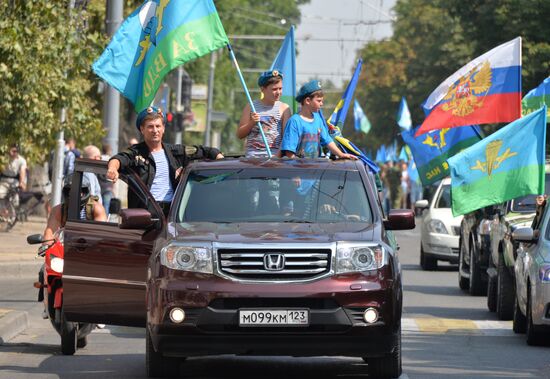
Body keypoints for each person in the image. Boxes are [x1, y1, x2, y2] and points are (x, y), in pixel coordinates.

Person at [106, 106, 224, 216]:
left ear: (163, 129)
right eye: (150, 126)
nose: (155, 130)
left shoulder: (175, 152)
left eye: (158, 126)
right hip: (145, 214)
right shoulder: (136, 152)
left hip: (172, 213)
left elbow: (204, 151)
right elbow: (119, 158)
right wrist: (112, 169)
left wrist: (220, 158)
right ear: (142, 129)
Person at [280, 80, 357, 160]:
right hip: (299, 169)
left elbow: (327, 141)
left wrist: (341, 154)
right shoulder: (294, 121)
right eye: (319, 101)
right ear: (308, 101)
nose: (321, 104)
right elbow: (289, 153)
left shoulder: (317, 119)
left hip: (316, 169)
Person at [237, 70, 291, 157]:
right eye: (274, 89)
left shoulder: (284, 108)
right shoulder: (251, 106)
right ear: (263, 89)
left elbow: (286, 138)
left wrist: (278, 156)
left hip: (274, 156)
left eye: (280, 88)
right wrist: (251, 123)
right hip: (252, 157)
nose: (278, 92)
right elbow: (240, 134)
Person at [43, 175, 107, 241]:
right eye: (71, 191)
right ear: (66, 192)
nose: (75, 194)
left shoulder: (97, 209)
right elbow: (49, 234)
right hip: (66, 247)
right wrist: (47, 245)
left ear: (85, 192)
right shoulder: (58, 211)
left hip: (90, 246)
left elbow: (101, 234)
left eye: (79, 191)